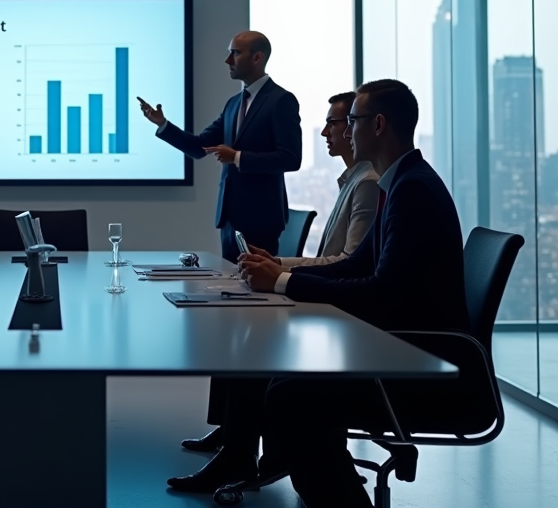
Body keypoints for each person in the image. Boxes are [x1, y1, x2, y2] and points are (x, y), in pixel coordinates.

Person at [182, 80, 468, 507]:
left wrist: (280, 281)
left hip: (417, 362)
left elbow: (383, 291)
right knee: (281, 381)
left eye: (352, 121)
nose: (345, 131)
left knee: (289, 394)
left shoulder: (410, 191)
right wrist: (280, 275)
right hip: (401, 347)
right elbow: (358, 266)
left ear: (379, 124)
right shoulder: (402, 182)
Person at [178, 90, 381, 456]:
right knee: (239, 322)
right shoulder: (352, 180)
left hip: (343, 313)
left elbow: (348, 262)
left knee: (248, 333)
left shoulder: (367, 184)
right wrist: (276, 262)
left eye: (338, 123)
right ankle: (232, 438)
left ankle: (238, 451)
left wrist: (280, 272)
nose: (327, 133)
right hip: (332, 298)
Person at [138, 31, 302, 263]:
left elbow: (290, 158)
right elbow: (198, 147)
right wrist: (163, 125)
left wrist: (237, 157)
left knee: (255, 293)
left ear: (257, 58)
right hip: (229, 220)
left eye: (235, 53)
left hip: (261, 220)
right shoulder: (233, 104)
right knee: (231, 289)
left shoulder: (281, 100)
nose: (228, 61)